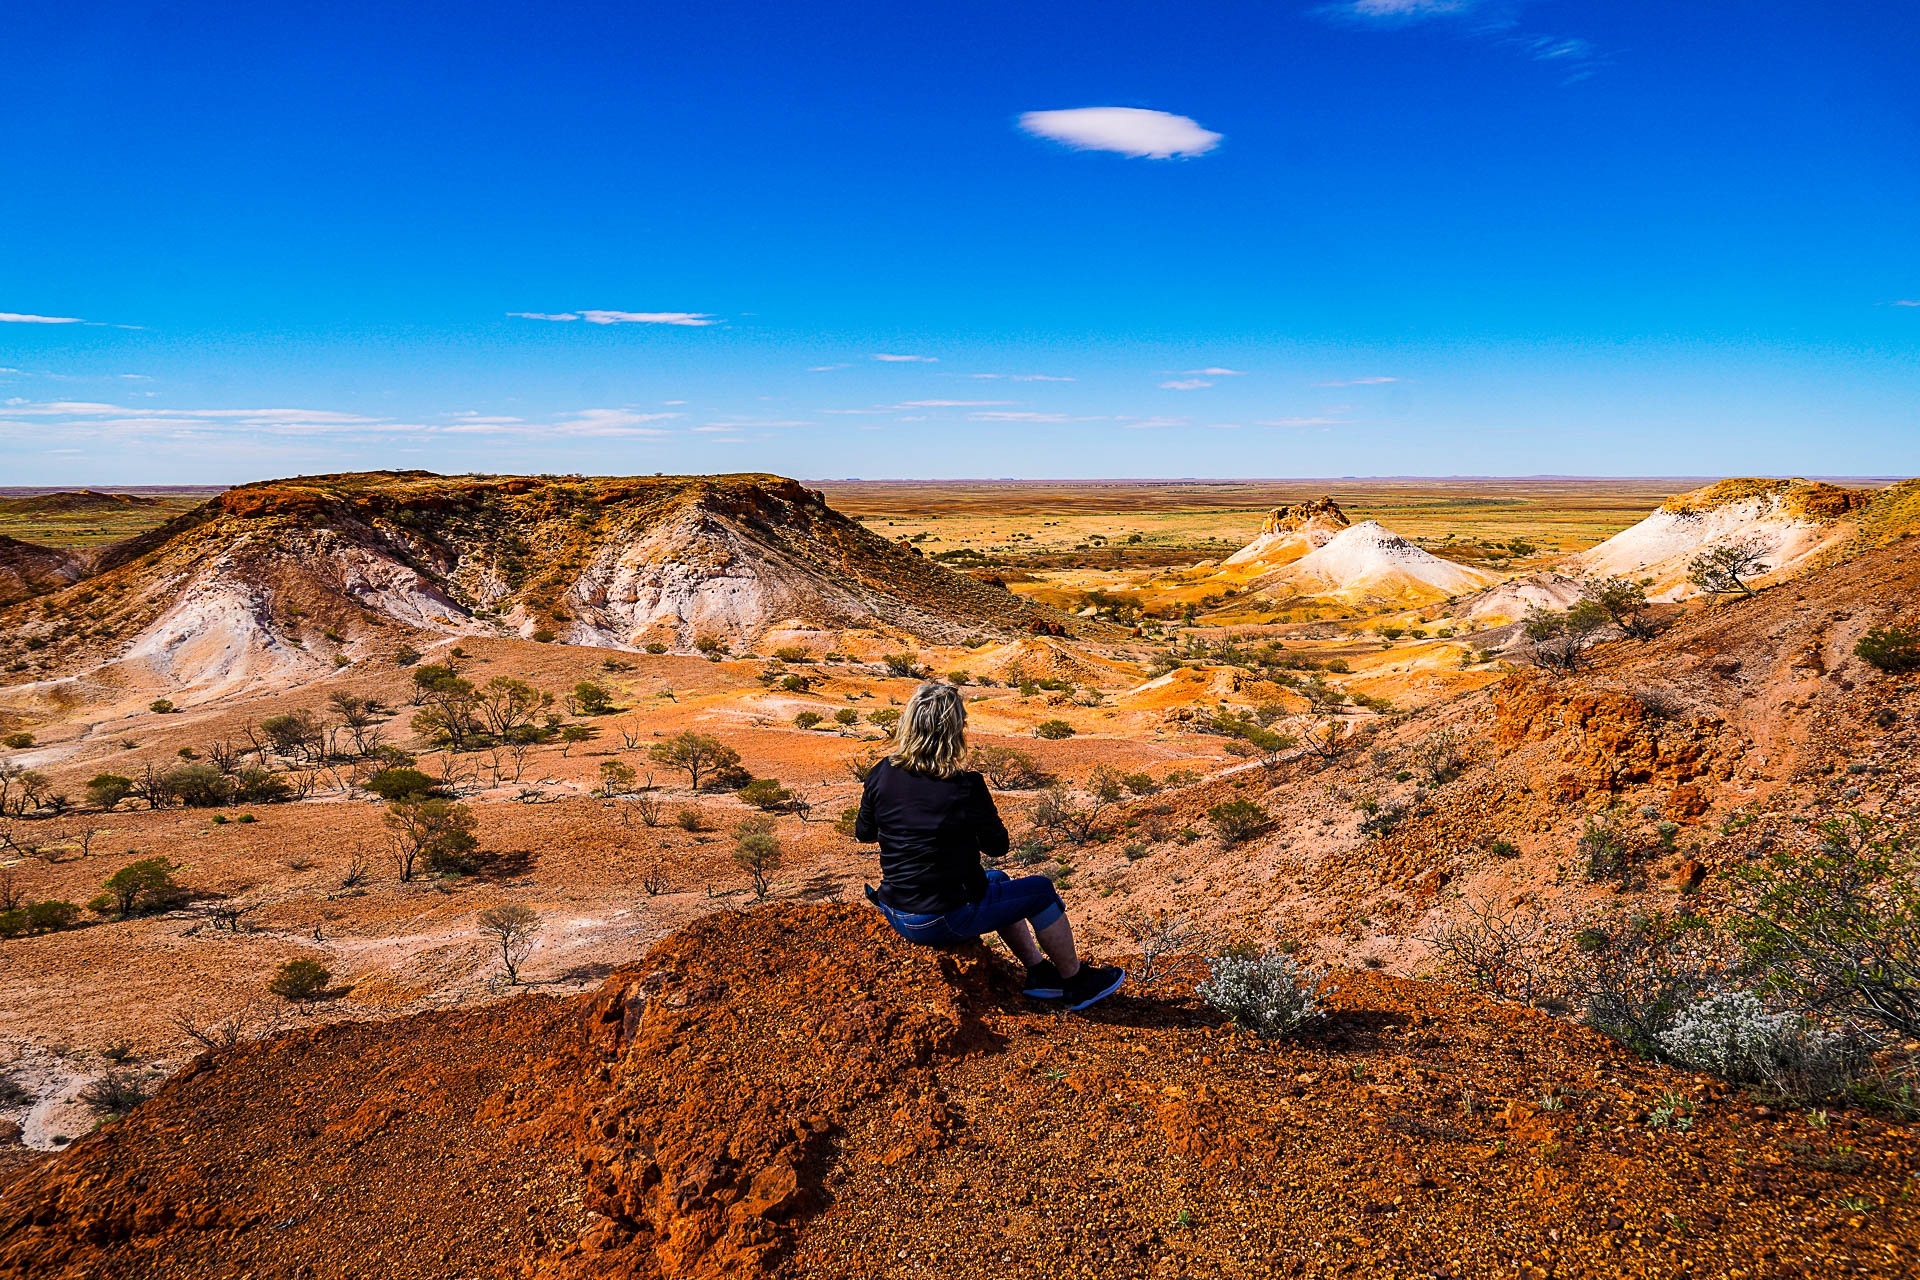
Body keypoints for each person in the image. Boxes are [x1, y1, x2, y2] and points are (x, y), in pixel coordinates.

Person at [855, 680, 1125, 1011]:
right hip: (938, 919)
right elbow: (998, 845)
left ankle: (1040, 973)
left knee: (996, 881)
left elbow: (865, 833)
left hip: (896, 910)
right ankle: (1076, 982)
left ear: (909, 724)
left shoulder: (881, 773)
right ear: (954, 730)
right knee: (1040, 892)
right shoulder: (964, 786)